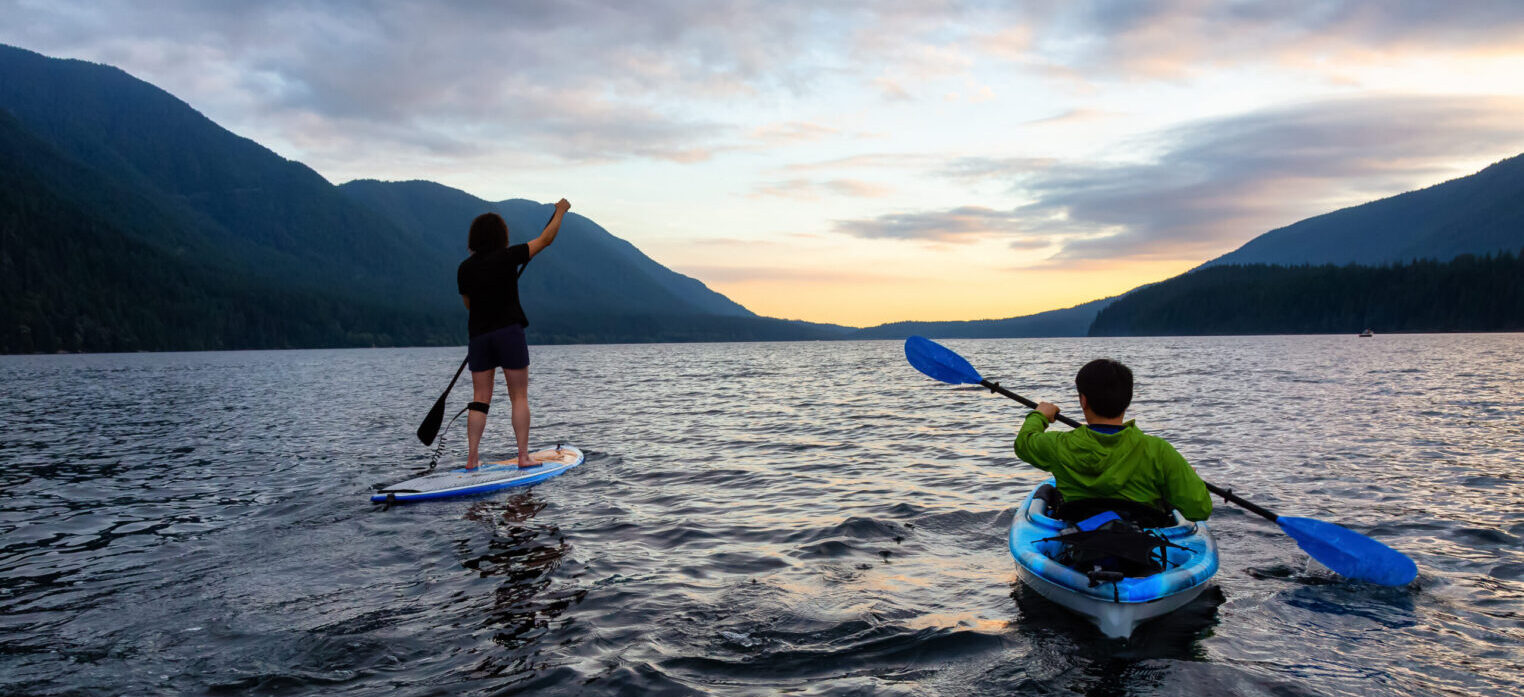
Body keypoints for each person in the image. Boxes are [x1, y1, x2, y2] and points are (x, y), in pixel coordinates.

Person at [1013, 358, 1212, 522]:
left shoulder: (1058, 445)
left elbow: (1024, 443)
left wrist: (1040, 415)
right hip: (1141, 550)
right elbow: (1198, 509)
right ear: (1128, 400)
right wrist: (1186, 481)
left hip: (1078, 544)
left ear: (1083, 401)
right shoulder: (1159, 451)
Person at [457, 199, 570, 470]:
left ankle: (472, 459)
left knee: (479, 398)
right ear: (501, 236)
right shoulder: (509, 257)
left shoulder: (464, 269)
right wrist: (561, 211)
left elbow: (468, 305)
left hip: (479, 336)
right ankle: (522, 456)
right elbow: (546, 239)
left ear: (474, 238)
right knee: (518, 396)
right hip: (509, 331)